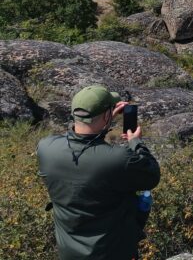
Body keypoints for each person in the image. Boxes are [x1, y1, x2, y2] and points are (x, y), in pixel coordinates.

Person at [37, 85, 161, 260]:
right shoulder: (118, 159)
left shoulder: (46, 148)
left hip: (69, 254)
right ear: (105, 115)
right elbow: (152, 175)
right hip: (112, 253)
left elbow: (76, 140)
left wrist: (104, 119)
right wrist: (136, 143)